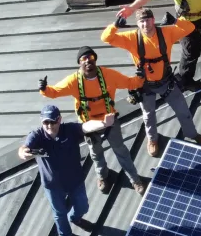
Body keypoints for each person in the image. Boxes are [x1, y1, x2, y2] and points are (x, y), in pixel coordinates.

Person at [101, 7, 201, 157]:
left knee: (183, 111)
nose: (145, 24)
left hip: (167, 82)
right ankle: (152, 140)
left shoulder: (166, 33)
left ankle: (192, 135)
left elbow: (190, 28)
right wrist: (115, 26)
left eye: (148, 20)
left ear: (153, 20)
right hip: (145, 85)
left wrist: (175, 21)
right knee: (148, 116)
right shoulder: (132, 38)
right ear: (138, 24)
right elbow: (106, 38)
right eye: (142, 21)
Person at [39, 46, 146, 195]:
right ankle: (102, 176)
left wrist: (140, 78)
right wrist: (44, 89)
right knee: (95, 153)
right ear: (79, 63)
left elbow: (129, 83)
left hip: (109, 120)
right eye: (84, 59)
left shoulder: (108, 75)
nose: (88, 61)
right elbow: (55, 92)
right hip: (89, 124)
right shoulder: (74, 81)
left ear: (95, 60)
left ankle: (135, 180)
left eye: (91, 57)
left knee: (121, 150)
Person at [18, 105, 95, 236]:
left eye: (52, 122)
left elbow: (86, 127)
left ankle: (75, 218)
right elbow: (23, 148)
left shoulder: (70, 130)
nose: (49, 126)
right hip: (53, 186)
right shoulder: (37, 136)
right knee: (59, 214)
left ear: (59, 120)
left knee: (83, 206)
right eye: (45, 122)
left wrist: (104, 123)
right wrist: (24, 153)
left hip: (75, 180)